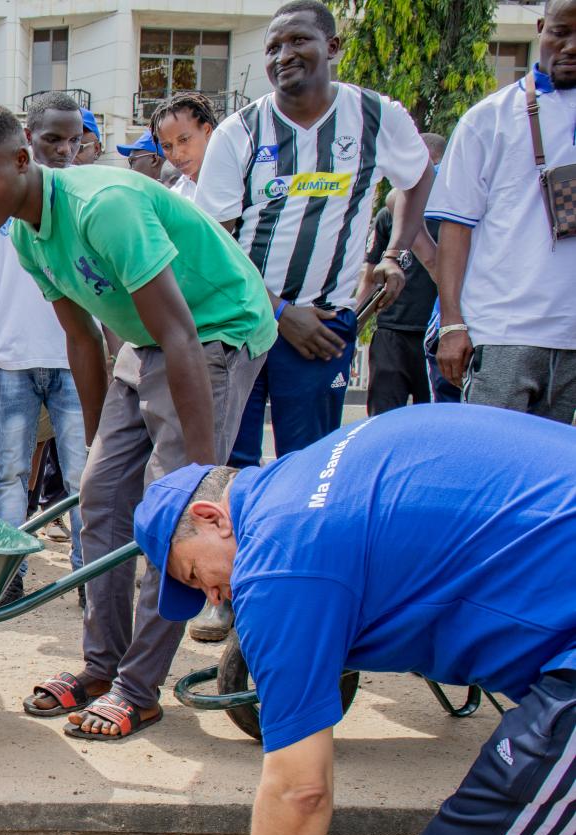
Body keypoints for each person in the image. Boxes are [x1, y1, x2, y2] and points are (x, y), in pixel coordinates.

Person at [133, 405, 576, 835]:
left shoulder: (279, 562)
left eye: (195, 575)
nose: (214, 598)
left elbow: (299, 791)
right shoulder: (317, 475)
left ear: (210, 517)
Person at [0, 103, 276, 741]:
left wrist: (199, 481)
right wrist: (98, 443)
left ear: (21, 160)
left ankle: (138, 687)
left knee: (168, 514)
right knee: (99, 496)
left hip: (215, 330)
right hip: (142, 341)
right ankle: (102, 665)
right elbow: (82, 340)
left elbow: (180, 331)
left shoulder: (105, 207)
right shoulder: (23, 233)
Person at [192, 0, 431, 642]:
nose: (282, 56)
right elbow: (214, 240)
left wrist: (391, 254)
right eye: (272, 47)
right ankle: (227, 593)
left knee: (312, 469)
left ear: (333, 48)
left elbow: (416, 179)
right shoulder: (241, 132)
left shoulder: (377, 116)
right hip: (244, 325)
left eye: (298, 41)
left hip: (325, 326)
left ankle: (305, 594)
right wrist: (276, 312)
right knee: (233, 465)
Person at [0, 93, 89, 601]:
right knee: (10, 473)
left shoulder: (82, 197)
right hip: (9, 358)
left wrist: (116, 352)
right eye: (53, 139)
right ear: (27, 141)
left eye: (74, 140)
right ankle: (9, 575)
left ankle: (86, 575)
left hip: (73, 359)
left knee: (82, 474)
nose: (64, 149)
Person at [429, 0, 576, 421]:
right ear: (541, 27)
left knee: (555, 477)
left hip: (573, 338)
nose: (570, 46)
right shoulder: (489, 118)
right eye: (561, 32)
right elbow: (455, 227)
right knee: (488, 465)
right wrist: (453, 324)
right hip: (504, 332)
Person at [357, 132, 446, 414]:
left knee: (432, 418)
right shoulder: (388, 216)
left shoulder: (453, 216)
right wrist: (355, 321)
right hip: (392, 331)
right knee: (381, 416)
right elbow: (370, 275)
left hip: (433, 332)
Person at [150, 91, 218, 198]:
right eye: (167, 146)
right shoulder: (174, 198)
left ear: (207, 130)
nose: (176, 154)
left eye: (184, 140)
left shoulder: (240, 180)